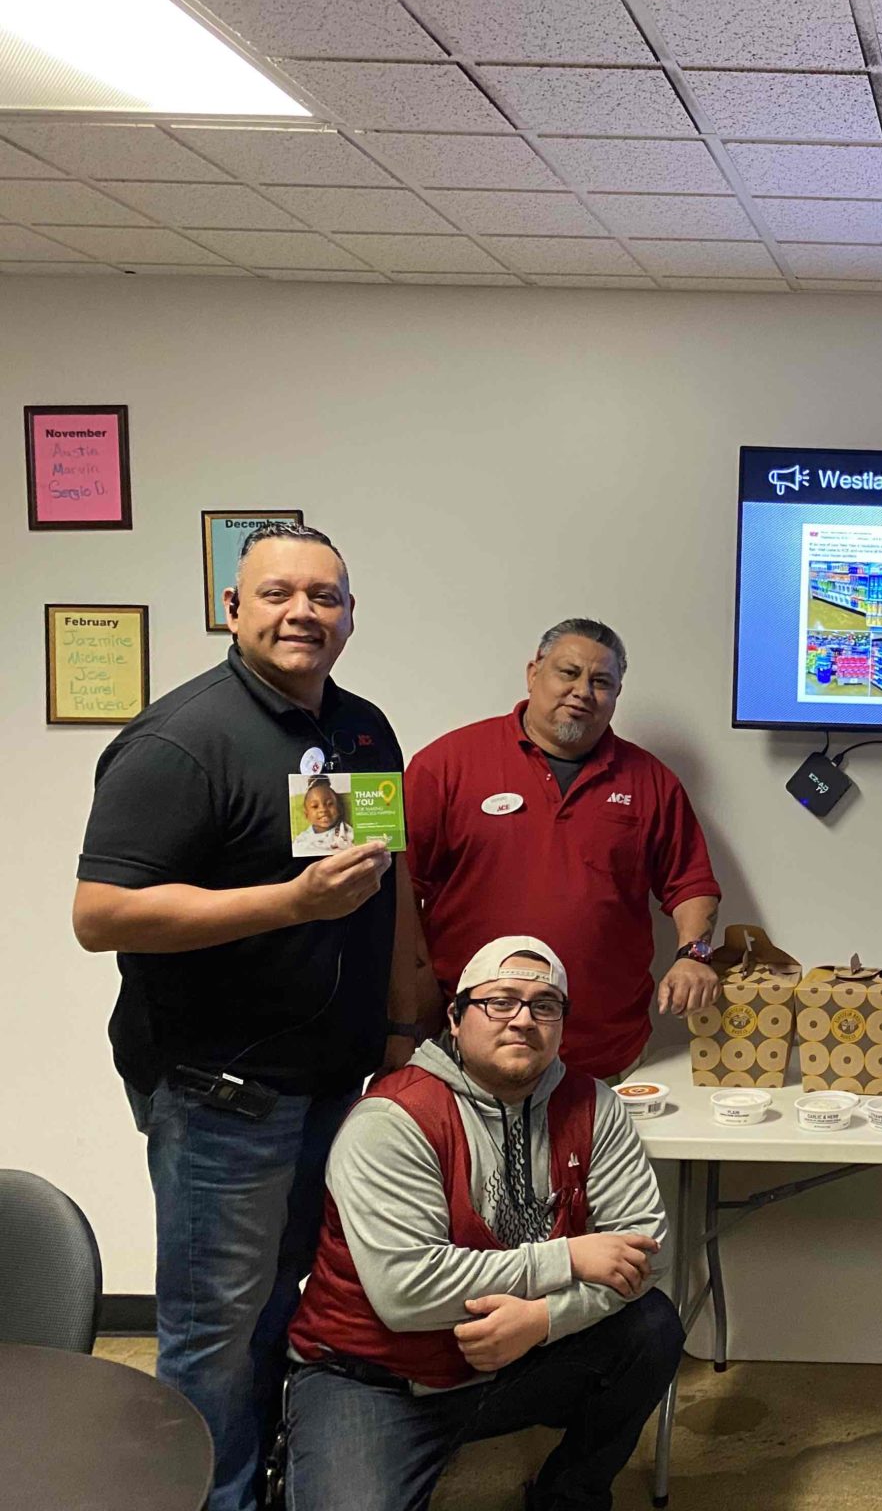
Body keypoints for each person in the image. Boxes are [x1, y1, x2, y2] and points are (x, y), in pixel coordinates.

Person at [72, 522, 433, 1511]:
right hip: (217, 1093)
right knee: (212, 1329)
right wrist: (285, 904)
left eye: (324, 596)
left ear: (350, 617)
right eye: (277, 594)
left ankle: (259, 1478)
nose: (302, 612)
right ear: (232, 609)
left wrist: (405, 1027)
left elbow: (381, 885)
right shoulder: (179, 742)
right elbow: (99, 916)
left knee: (284, 1301)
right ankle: (209, 1499)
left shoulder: (359, 732)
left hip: (331, 1079)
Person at [285, 936, 683, 1510]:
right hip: (376, 1377)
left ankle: (568, 1494)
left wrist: (545, 1320)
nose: (523, 1020)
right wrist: (567, 1257)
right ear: (455, 1016)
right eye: (500, 1001)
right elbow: (406, 1291)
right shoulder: (392, 1120)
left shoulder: (596, 1105)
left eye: (545, 1005)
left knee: (651, 1328)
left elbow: (646, 1253)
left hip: (512, 1360)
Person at [406, 619, 722, 1079]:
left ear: (616, 695)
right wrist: (411, 992)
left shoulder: (651, 781)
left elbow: (690, 882)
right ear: (534, 673)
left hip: (606, 1055)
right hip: (468, 1047)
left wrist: (693, 956)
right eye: (568, 673)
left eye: (601, 682)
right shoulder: (447, 764)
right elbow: (396, 887)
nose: (582, 691)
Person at [293, 777, 355, 855]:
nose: (323, 809)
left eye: (329, 804)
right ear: (306, 815)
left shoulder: (346, 832)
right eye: (315, 806)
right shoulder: (302, 840)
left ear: (339, 809)